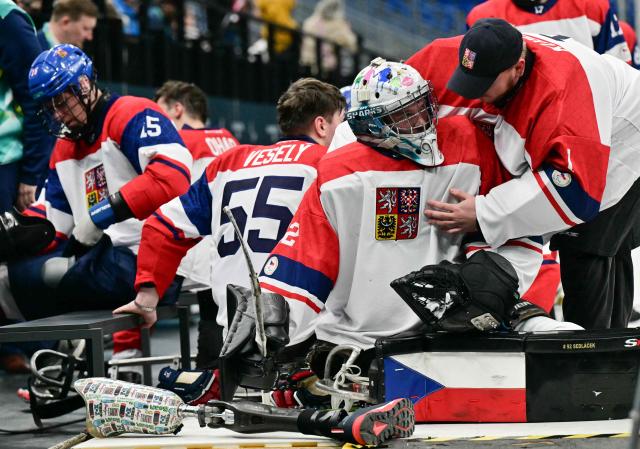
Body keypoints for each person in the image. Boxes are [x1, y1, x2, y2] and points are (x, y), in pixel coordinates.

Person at [258, 58, 578, 369]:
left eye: (421, 105)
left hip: (446, 342)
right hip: (356, 349)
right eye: (405, 114)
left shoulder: (471, 142)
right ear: (371, 124)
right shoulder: (338, 173)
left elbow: (516, 224)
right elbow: (303, 264)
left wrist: (498, 284)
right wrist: (268, 325)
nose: (421, 119)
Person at [404, 18, 640, 329]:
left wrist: (484, 212)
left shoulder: (564, 93)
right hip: (586, 122)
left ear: (518, 67)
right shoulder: (462, 56)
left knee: (586, 244)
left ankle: (595, 356)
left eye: (485, 83)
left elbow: (575, 194)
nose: (474, 94)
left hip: (623, 142)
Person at [116, 78, 345, 369]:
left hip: (233, 332)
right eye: (342, 121)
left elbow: (162, 226)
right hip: (306, 338)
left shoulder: (230, 162)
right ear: (322, 125)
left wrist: (147, 298)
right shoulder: (330, 165)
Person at [4, 43, 192, 375]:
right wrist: (13, 234)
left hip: (159, 255)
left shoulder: (132, 113)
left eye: (62, 101)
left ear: (85, 85)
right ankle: (66, 359)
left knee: (50, 285)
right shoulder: (64, 146)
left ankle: (67, 359)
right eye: (50, 107)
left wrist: (100, 214)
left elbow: (172, 178)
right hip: (111, 256)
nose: (58, 114)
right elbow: (54, 218)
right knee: (13, 275)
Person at [0, 0, 57, 373]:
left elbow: (39, 97)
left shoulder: (7, 18)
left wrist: (32, 173)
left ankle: (39, 350)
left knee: (10, 259)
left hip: (5, 161)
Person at [466, 0, 630, 62]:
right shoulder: (481, 18)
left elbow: (621, 74)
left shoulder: (594, 7)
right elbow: (469, 70)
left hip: (584, 120)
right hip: (512, 125)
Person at [299, 0, 357, 78]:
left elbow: (351, 43)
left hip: (324, 67)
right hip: (318, 66)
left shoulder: (339, 23)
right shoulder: (314, 22)